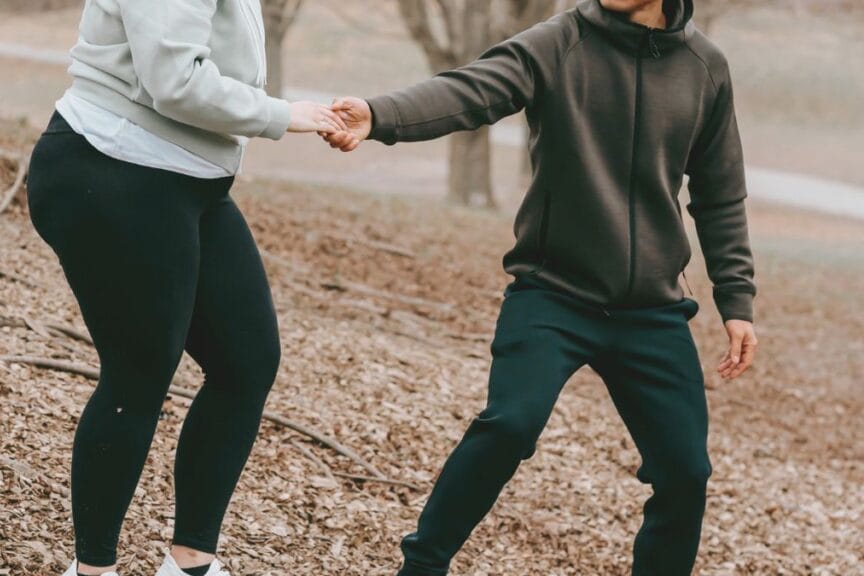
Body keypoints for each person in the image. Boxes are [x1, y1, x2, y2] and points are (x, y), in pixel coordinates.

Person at [322, 0, 758, 574]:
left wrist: (736, 299)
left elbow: (720, 193)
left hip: (651, 311)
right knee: (510, 425)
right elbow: (470, 90)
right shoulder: (559, 41)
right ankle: (421, 567)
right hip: (554, 294)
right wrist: (379, 116)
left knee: (686, 472)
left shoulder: (705, 66)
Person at [25, 1, 345, 575]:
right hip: (114, 165)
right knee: (139, 372)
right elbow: (175, 81)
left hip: (190, 181)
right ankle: (92, 570)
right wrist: (282, 115)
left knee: (246, 361)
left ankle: (190, 564)